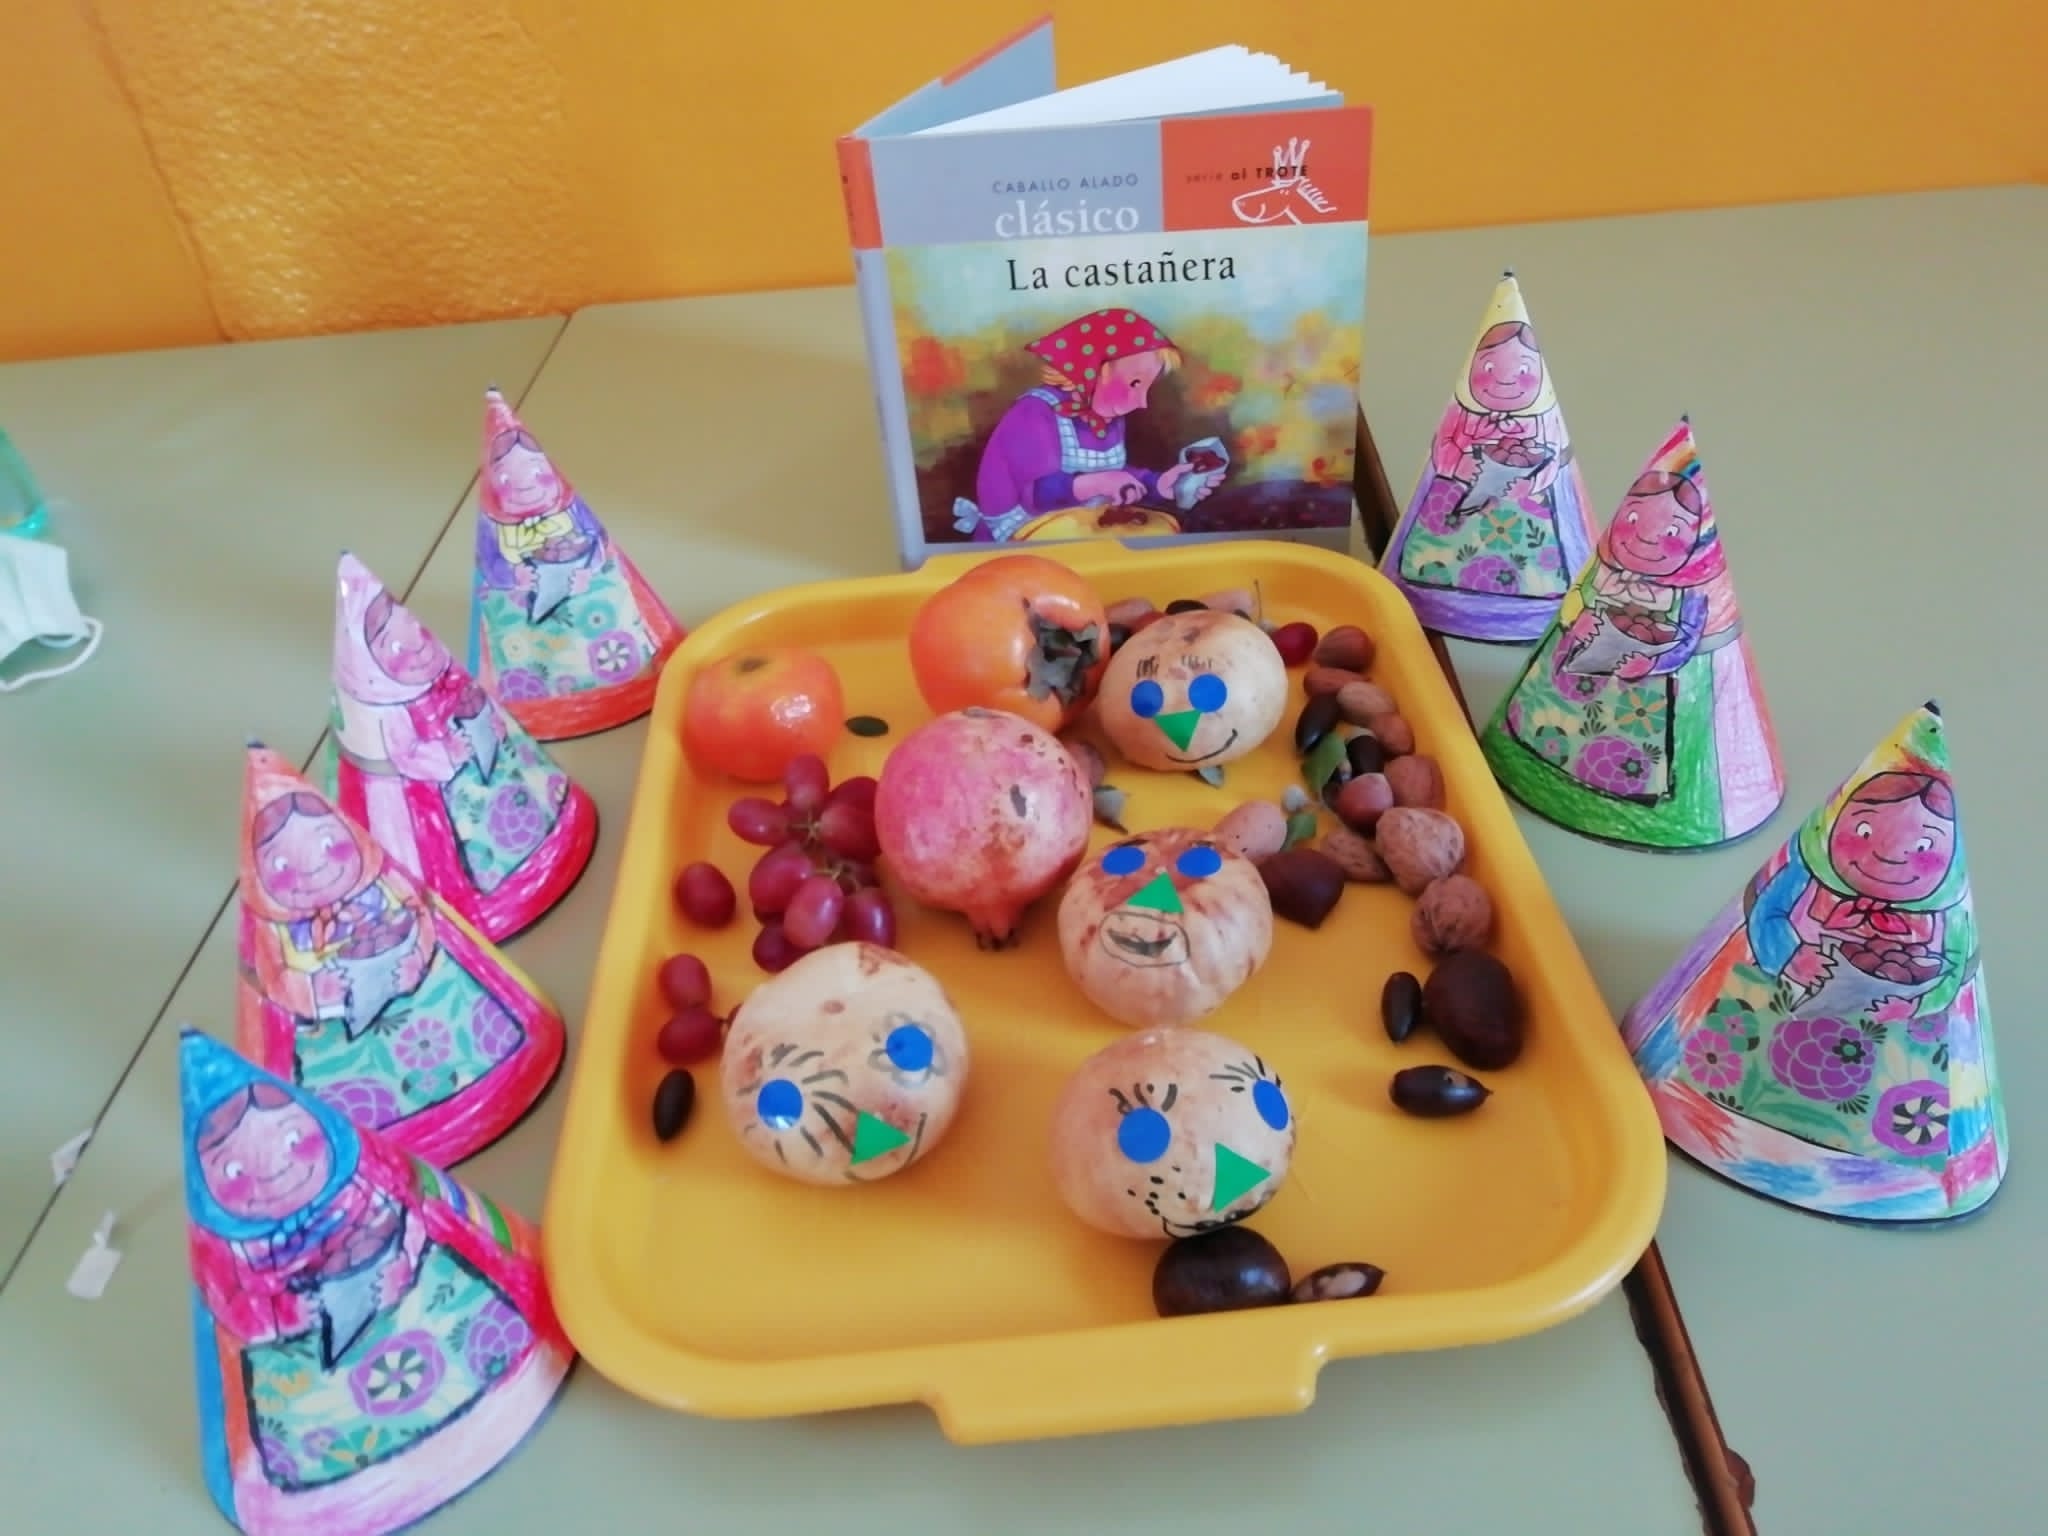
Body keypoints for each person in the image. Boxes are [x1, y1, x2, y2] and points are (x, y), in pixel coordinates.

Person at [953, 308, 1215, 542]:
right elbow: (1038, 494)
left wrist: (1158, 484)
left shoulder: (1108, 418)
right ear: (1091, 369)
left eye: (1147, 387)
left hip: (1080, 533)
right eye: (1135, 383)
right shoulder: (1034, 413)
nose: (1142, 402)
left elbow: (1114, 473)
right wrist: (1099, 483)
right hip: (1021, 540)